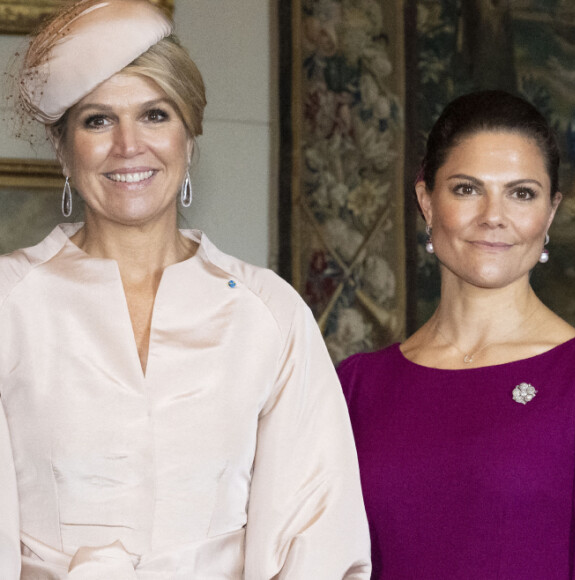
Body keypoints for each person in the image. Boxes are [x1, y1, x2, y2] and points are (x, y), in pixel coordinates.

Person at [0, 1, 371, 577]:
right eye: (98, 120)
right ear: (63, 150)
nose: (128, 145)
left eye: (154, 115)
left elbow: (316, 534)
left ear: (190, 136)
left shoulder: (267, 315)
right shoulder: (9, 303)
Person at [338, 90, 575, 579]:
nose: (493, 215)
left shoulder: (574, 379)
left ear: (550, 213)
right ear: (426, 200)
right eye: (467, 189)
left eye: (522, 193)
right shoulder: (356, 387)